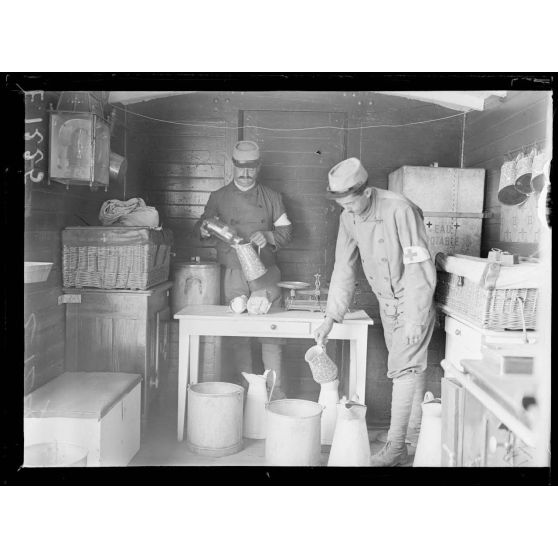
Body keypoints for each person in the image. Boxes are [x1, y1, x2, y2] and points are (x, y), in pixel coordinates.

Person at [314, 157, 436, 466]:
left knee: (404, 369)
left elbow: (418, 265)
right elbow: (343, 267)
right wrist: (330, 318)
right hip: (387, 303)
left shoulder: (399, 208)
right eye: (343, 206)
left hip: (412, 300)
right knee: (409, 369)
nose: (349, 210)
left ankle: (396, 448)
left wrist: (414, 317)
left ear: (367, 193)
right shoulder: (348, 218)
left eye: (352, 204)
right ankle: (410, 435)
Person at [195, 140, 292, 399]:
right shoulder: (218, 197)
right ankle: (245, 395)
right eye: (241, 168)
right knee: (239, 334)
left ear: (258, 167)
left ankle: (275, 394)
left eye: (251, 168)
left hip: (266, 274)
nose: (245, 174)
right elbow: (202, 228)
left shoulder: (272, 197)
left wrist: (269, 236)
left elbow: (287, 232)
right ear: (233, 165)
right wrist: (205, 230)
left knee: (271, 334)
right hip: (233, 273)